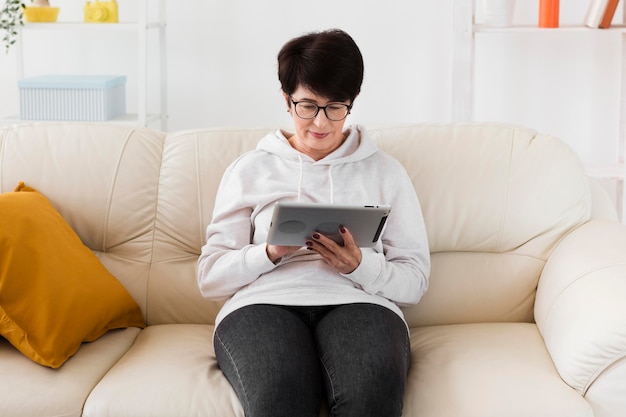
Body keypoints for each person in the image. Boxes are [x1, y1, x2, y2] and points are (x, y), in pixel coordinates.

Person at [197, 28, 430, 417]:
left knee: (370, 395)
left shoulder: (386, 173)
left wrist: (360, 266)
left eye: (335, 106)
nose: (320, 122)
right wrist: (268, 254)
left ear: (351, 103)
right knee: (280, 397)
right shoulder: (250, 170)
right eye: (307, 105)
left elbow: (415, 281)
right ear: (287, 100)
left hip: (358, 301)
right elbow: (209, 278)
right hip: (263, 304)